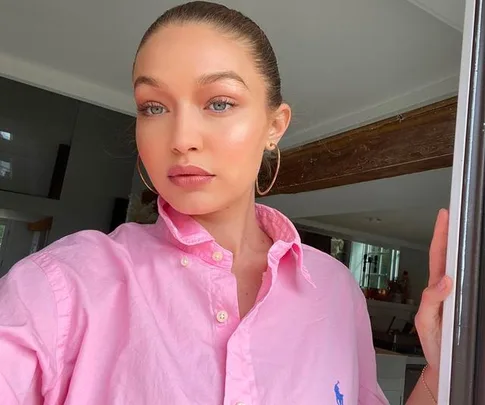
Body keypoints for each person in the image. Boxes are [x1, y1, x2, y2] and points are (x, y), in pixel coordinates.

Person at [0, 2, 452, 404]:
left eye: (218, 103)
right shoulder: (59, 288)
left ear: (275, 125)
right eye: (153, 107)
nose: (181, 140)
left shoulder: (336, 290)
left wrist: (437, 367)